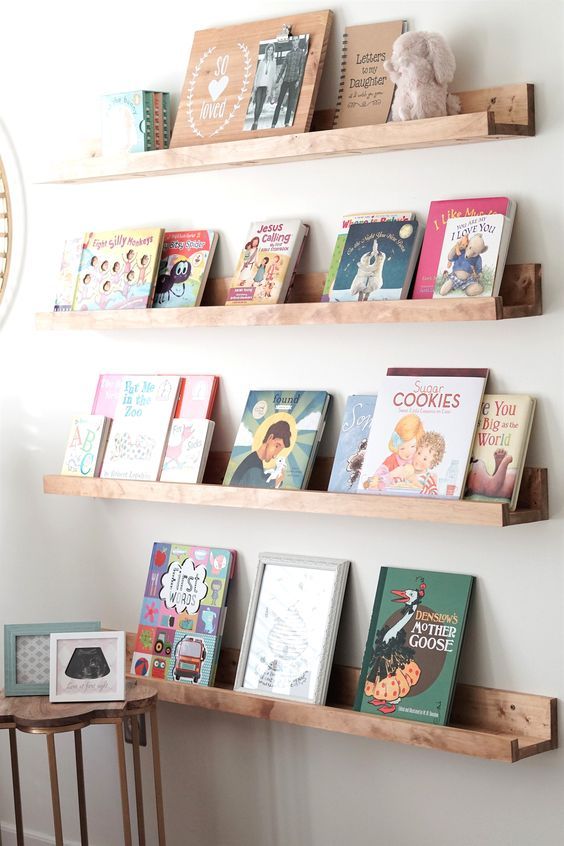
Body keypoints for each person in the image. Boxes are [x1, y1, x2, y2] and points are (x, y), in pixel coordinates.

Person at [229, 420, 291, 488]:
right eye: (277, 446)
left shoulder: (255, 460)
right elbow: (260, 486)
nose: (275, 455)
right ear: (270, 438)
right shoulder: (253, 464)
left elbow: (260, 478)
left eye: (279, 451)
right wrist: (279, 479)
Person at [271, 38, 306, 128]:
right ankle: (273, 123)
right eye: (293, 41)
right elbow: (282, 68)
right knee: (279, 102)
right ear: (292, 42)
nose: (295, 42)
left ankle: (286, 123)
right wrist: (278, 80)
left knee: (290, 102)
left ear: (298, 42)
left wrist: (299, 80)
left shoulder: (301, 53)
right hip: (286, 80)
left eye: (296, 40)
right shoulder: (288, 54)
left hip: (294, 80)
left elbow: (302, 68)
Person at [250, 43, 277, 130]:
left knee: (261, 104)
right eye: (269, 49)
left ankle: (256, 121)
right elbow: (257, 74)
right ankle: (255, 121)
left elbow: (273, 75)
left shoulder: (274, 62)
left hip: (266, 86)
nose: (270, 51)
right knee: (257, 104)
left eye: (271, 50)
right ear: (267, 50)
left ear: (273, 51)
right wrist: (255, 85)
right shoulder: (262, 61)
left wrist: (273, 87)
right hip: (259, 85)